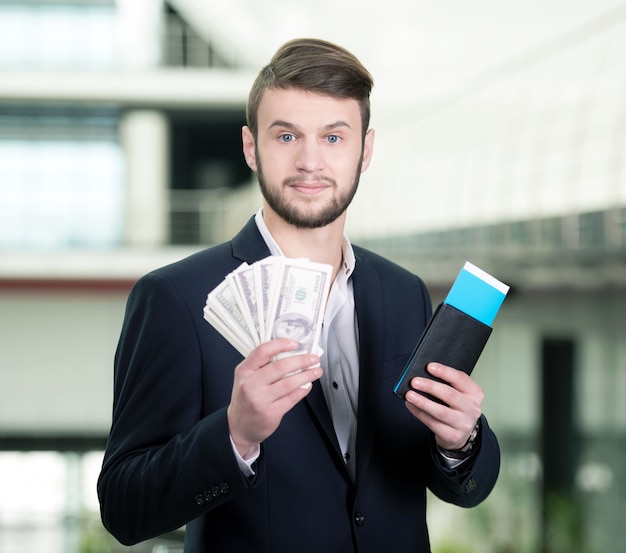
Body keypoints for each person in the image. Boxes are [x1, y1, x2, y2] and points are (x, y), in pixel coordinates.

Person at [98, 38, 500, 552]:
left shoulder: (404, 293)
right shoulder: (176, 298)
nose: (311, 161)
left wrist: (459, 440)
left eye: (334, 137)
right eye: (287, 135)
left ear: (366, 149)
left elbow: (459, 485)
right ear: (251, 148)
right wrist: (234, 435)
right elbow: (123, 507)